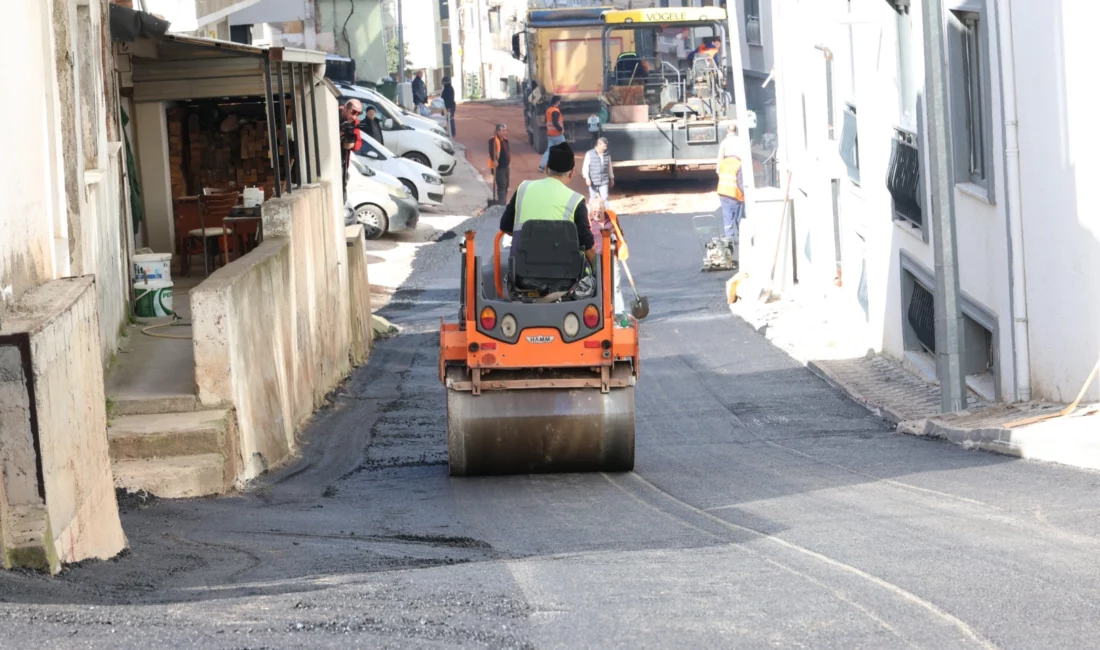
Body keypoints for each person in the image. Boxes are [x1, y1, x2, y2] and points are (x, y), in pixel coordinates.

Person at [500, 142, 596, 279]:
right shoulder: (576, 200)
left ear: (546, 168)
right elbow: (589, 248)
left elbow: (505, 226)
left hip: (521, 275)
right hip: (564, 278)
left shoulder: (523, 188)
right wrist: (598, 273)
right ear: (572, 173)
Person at [588, 196, 628, 317]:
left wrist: (617, 243)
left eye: (599, 212)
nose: (596, 214)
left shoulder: (611, 217)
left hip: (611, 256)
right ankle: (600, 313)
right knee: (598, 286)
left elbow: (619, 232)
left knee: (615, 285)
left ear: (604, 209)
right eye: (594, 211)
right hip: (595, 258)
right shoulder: (588, 221)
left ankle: (619, 312)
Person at [716, 124, 746, 259]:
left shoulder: (723, 157)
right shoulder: (739, 163)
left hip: (723, 193)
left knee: (727, 220)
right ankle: (744, 243)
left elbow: (718, 167)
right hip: (735, 195)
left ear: (728, 131)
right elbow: (741, 183)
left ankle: (729, 247)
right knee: (740, 220)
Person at [339, 99, 363, 200]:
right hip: (329, 162)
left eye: (357, 114)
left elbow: (358, 144)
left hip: (343, 164)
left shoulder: (354, 122)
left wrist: (351, 144)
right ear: (345, 108)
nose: (354, 117)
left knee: (342, 195)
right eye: (352, 113)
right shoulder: (332, 113)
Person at [537, 95, 566, 174]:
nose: (560, 102)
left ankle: (542, 166)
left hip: (550, 135)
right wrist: (561, 129)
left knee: (549, 151)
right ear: (557, 102)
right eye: (559, 101)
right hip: (558, 135)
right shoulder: (555, 111)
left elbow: (546, 122)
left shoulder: (548, 110)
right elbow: (555, 123)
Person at [582, 137, 614, 204]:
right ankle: (591, 213)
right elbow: (585, 167)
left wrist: (611, 178)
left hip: (604, 181)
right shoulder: (589, 154)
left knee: (605, 198)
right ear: (598, 145)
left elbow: (609, 167)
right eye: (604, 146)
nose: (605, 148)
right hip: (593, 181)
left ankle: (606, 213)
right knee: (592, 199)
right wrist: (587, 178)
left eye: (606, 146)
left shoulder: (607, 155)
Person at [488, 123, 511, 205]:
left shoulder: (504, 140)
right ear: (498, 131)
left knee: (506, 186)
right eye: (503, 130)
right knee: (502, 186)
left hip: (506, 167)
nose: (505, 132)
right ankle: (502, 206)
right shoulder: (493, 141)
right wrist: (494, 160)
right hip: (498, 168)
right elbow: (492, 151)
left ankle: (502, 203)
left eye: (505, 130)